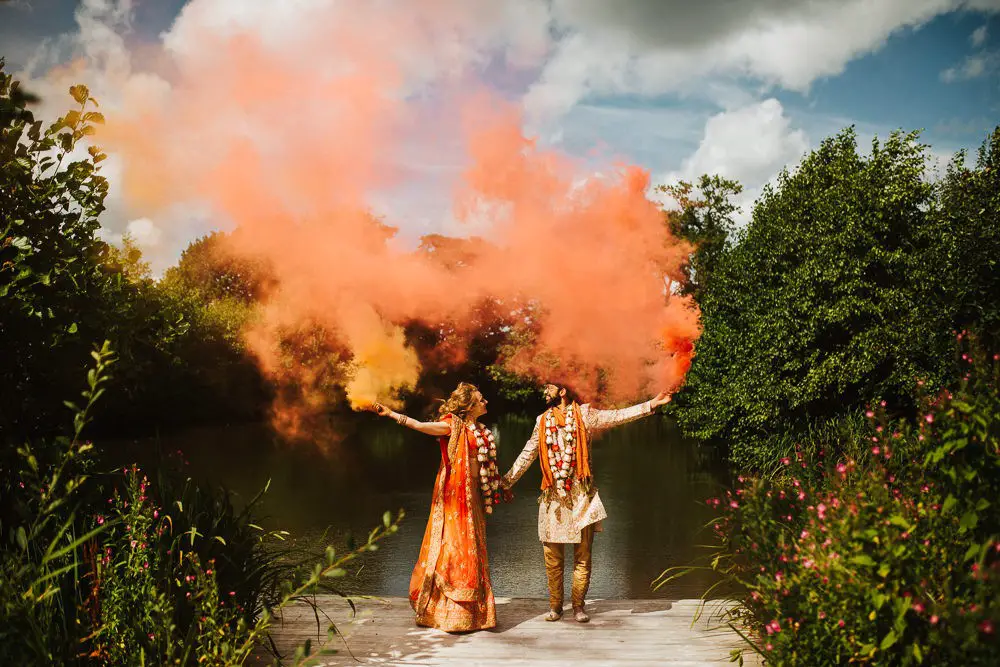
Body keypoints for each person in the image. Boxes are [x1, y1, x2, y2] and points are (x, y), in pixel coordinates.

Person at [501, 383, 672, 623]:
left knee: (583, 557)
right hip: (553, 496)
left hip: (581, 495)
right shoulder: (541, 420)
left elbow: (617, 416)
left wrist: (651, 404)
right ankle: (555, 607)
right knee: (552, 556)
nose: (544, 392)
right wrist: (505, 482)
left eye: (549, 387)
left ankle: (579, 606)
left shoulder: (585, 415)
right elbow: (528, 453)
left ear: (562, 392)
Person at [371, 382, 503, 632]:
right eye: (481, 398)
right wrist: (392, 415)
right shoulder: (452, 425)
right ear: (470, 406)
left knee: (474, 544)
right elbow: (421, 426)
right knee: (454, 545)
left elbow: (487, 466)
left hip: (473, 495)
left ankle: (477, 613)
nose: (486, 401)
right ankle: (446, 611)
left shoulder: (481, 430)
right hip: (455, 494)